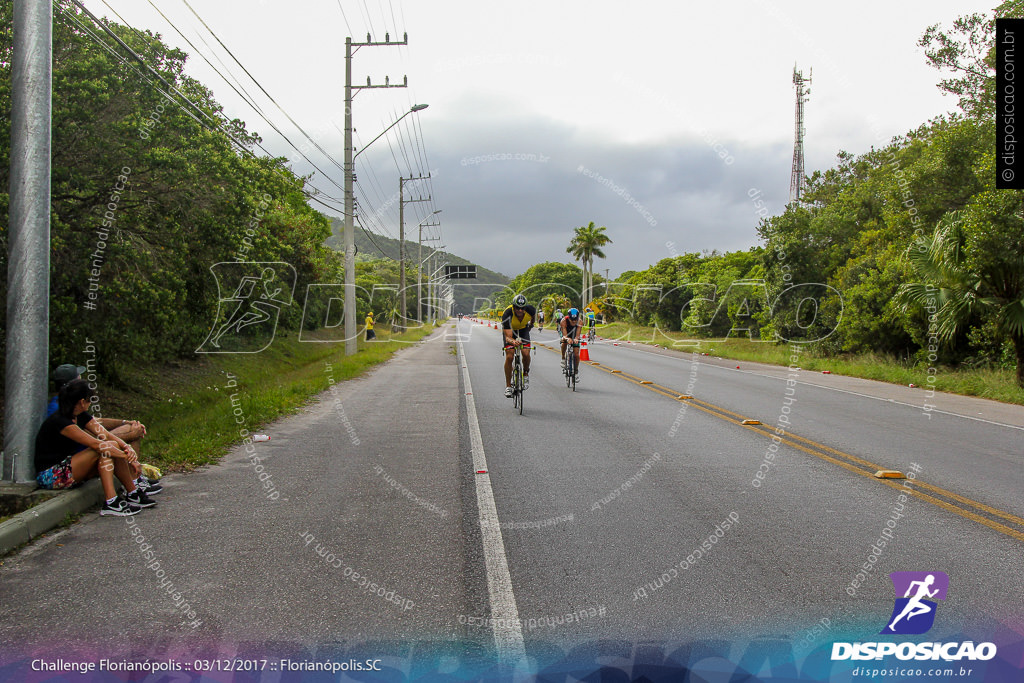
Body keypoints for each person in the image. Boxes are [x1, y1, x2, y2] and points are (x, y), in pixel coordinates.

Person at [35, 379, 157, 516]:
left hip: (70, 466)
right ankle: (111, 502)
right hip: (51, 474)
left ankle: (132, 493)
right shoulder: (62, 422)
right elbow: (96, 444)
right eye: (89, 400)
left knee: (112, 446)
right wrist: (127, 457)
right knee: (105, 449)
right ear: (82, 402)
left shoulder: (80, 416)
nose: (90, 403)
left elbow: (104, 434)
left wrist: (126, 447)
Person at [47, 363, 161, 495]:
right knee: (109, 446)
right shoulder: (60, 413)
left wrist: (125, 426)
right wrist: (128, 455)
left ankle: (130, 490)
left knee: (120, 437)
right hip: (61, 467)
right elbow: (94, 441)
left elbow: (97, 424)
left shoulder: (74, 407)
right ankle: (131, 483)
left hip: (80, 454)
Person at [501, 294, 536, 398]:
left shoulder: (531, 310)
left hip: (523, 329)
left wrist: (531, 325)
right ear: (513, 306)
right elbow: (508, 337)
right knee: (510, 356)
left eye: (522, 308)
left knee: (526, 353)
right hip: (510, 331)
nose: (520, 310)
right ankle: (508, 386)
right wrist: (513, 342)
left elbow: (533, 317)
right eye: (517, 308)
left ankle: (525, 373)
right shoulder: (507, 314)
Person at [560, 308, 584, 382]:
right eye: (572, 320)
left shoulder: (580, 321)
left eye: (575, 320)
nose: (573, 322)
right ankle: (563, 358)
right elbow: (564, 335)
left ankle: (576, 372)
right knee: (564, 342)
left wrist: (576, 339)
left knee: (576, 354)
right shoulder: (563, 321)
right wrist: (567, 339)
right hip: (566, 334)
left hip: (574, 335)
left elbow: (578, 334)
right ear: (569, 318)